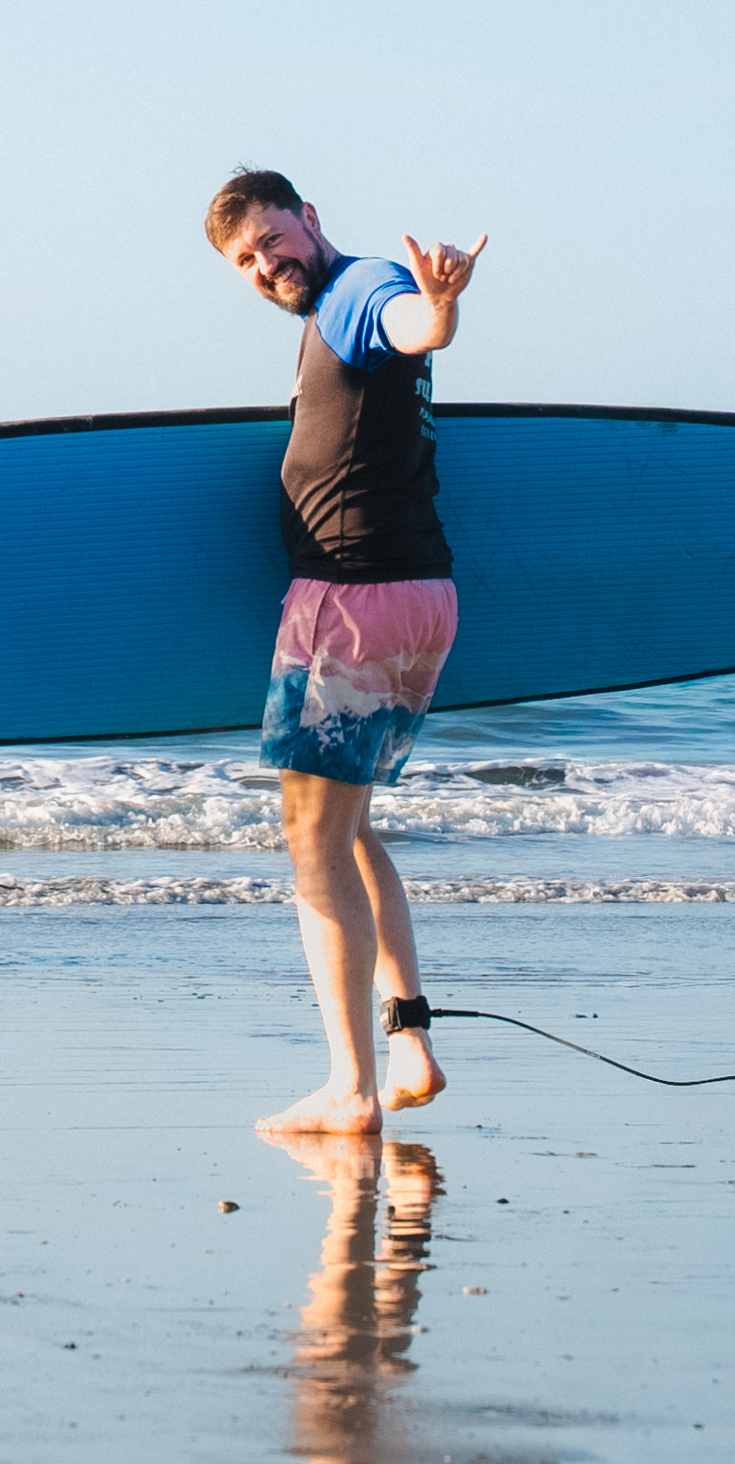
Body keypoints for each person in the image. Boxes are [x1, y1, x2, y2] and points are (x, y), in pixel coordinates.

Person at [203, 168, 487, 1136]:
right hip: (417, 597)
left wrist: (438, 309)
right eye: (243, 260)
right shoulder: (327, 315)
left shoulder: (360, 292)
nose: (263, 263)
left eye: (271, 240)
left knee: (312, 844)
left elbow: (411, 326)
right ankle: (408, 1046)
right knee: (351, 832)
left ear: (308, 220)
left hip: (352, 602)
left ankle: (350, 1091)